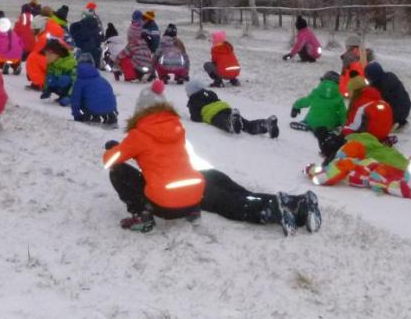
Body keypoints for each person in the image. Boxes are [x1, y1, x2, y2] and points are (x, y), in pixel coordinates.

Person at [100, 80, 321, 234]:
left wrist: (114, 148)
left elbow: (111, 161)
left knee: (118, 170)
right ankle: (291, 202)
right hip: (195, 190)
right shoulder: (177, 127)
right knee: (229, 187)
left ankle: (142, 217)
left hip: (169, 203)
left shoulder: (138, 135)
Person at [306, 137, 411, 203]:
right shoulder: (353, 152)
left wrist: (311, 171)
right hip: (381, 168)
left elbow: (324, 178)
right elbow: (357, 147)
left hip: (376, 176)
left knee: (407, 189)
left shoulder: (341, 163)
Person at [185, 79, 278, 138]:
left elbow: (195, 117)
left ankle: (231, 122)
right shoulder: (210, 93)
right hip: (225, 107)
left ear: (191, 92)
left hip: (213, 114)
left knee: (223, 121)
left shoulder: (193, 100)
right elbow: (216, 99)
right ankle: (265, 124)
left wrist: (198, 116)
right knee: (247, 124)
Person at [70, 51, 119, 126]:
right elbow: (111, 95)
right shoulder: (102, 79)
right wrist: (114, 109)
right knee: (99, 94)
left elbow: (75, 99)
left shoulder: (80, 81)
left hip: (93, 108)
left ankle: (92, 115)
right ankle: (110, 115)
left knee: (82, 96)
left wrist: (76, 114)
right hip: (110, 108)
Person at [365, 62, 411, 128]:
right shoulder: (389, 76)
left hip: (396, 112)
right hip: (406, 106)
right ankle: (400, 120)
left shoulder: (381, 85)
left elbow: (376, 100)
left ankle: (394, 121)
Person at [116, 11, 156, 82]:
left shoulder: (131, 44)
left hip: (138, 68)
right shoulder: (144, 44)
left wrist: (116, 64)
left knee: (125, 59)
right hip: (148, 68)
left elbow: (120, 56)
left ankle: (130, 77)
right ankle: (150, 74)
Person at [40, 40, 78, 105]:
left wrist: (70, 96)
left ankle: (67, 97)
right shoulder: (52, 63)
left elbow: (76, 82)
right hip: (62, 88)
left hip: (73, 92)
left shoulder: (71, 63)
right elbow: (49, 76)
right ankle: (62, 96)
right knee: (51, 77)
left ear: (57, 54)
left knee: (64, 79)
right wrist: (47, 90)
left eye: (49, 55)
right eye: (46, 55)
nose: (46, 57)